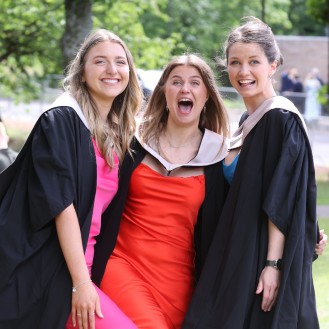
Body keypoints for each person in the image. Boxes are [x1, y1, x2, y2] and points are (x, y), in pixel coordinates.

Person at [183, 16, 321, 328]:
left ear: (273, 65)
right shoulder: (248, 122)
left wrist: (273, 265)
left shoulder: (280, 119)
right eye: (235, 63)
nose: (243, 72)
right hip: (235, 255)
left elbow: (281, 199)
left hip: (257, 260)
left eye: (254, 62)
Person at [0, 29, 142, 329]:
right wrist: (80, 284)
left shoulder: (115, 133)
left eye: (120, 62)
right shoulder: (62, 120)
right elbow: (61, 206)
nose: (112, 70)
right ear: (82, 73)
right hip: (54, 270)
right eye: (100, 61)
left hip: (89, 267)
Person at [92, 54, 230, 328]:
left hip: (179, 281)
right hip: (122, 262)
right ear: (164, 91)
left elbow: (248, 209)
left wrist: (301, 235)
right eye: (176, 82)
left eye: (194, 83)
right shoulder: (132, 141)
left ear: (207, 97)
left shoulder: (220, 155)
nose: (184, 89)